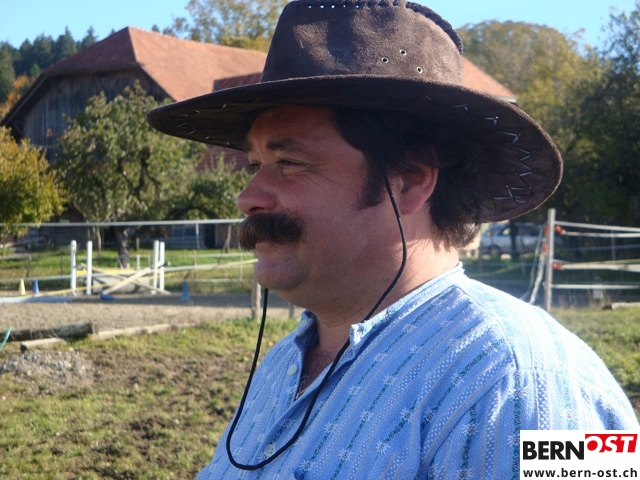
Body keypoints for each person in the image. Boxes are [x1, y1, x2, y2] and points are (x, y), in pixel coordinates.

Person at [147, 1, 640, 478]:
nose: (247, 197)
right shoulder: (283, 364)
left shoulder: (527, 383)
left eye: (289, 163)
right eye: (255, 165)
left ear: (409, 180)